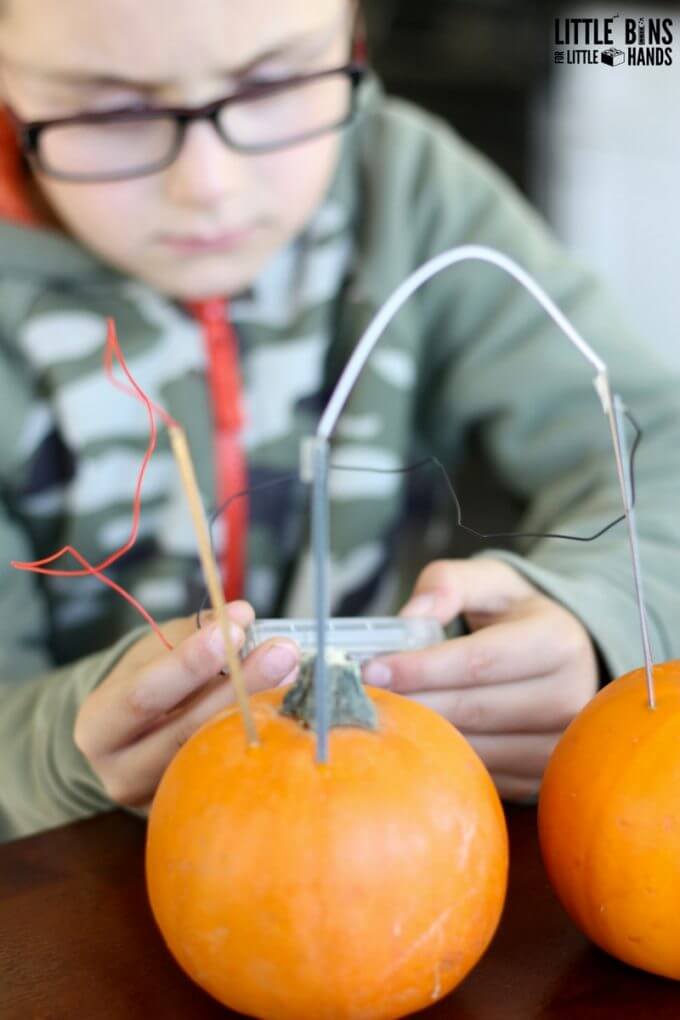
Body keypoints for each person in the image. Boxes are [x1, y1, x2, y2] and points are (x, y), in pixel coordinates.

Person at [0, 0, 679, 844]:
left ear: (353, 38)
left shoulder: (409, 191)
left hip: (381, 846)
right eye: (112, 109)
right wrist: (58, 752)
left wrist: (599, 615)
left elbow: (660, 447)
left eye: (276, 80)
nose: (208, 186)